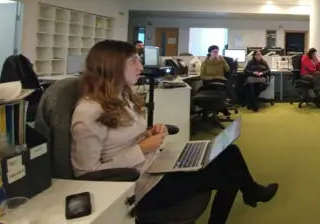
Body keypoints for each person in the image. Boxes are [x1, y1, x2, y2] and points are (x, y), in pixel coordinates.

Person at [70, 40, 278, 224]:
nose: (140, 66)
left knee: (230, 153)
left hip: (157, 164)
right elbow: (87, 174)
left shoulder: (123, 98)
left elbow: (123, 140)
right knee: (230, 174)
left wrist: (149, 134)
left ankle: (251, 192)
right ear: (112, 66)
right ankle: (251, 193)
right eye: (134, 60)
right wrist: (142, 148)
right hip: (142, 187)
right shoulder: (89, 111)